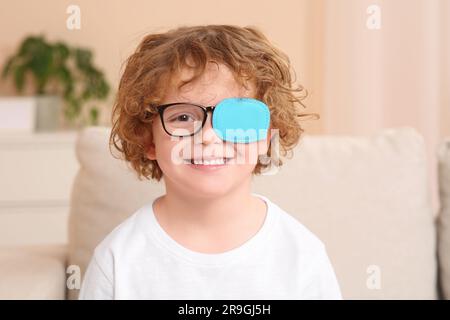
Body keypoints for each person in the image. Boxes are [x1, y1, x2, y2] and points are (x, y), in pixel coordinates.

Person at [79, 24, 342, 299]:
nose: (208, 136)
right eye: (183, 117)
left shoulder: (302, 255)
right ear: (148, 139)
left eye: (236, 117)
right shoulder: (117, 261)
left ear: (266, 136)